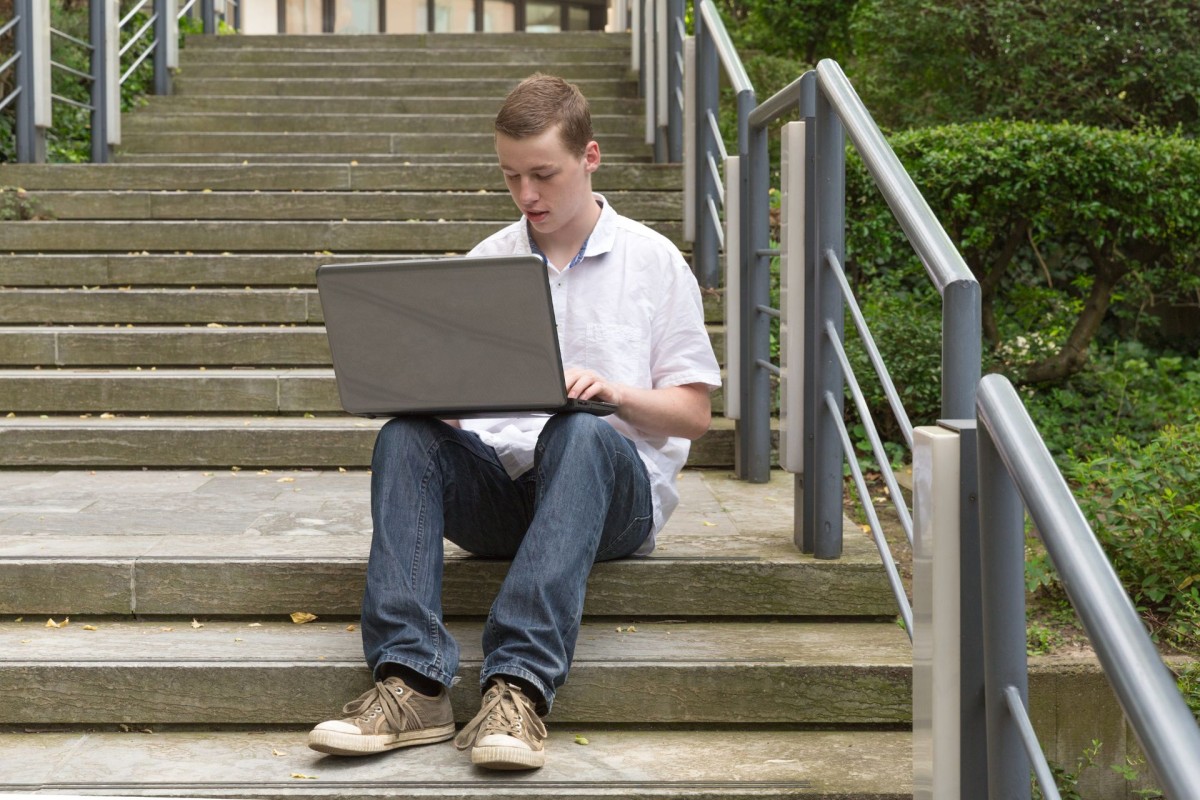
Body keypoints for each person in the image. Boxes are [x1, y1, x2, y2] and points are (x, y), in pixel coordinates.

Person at [307, 73, 721, 770]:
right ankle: (411, 684)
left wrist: (614, 393)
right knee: (406, 436)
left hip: (612, 501)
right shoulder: (489, 261)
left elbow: (695, 413)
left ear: (590, 158)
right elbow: (457, 406)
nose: (527, 195)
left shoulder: (653, 261)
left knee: (582, 429)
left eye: (543, 175)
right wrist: (428, 394)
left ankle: (518, 687)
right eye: (510, 177)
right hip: (504, 492)